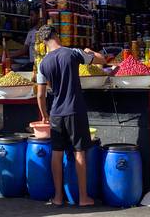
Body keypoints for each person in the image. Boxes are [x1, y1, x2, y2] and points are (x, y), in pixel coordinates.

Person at [35, 25, 106, 207]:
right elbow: (102, 60)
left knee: (57, 154)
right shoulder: (73, 53)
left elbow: (41, 95)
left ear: (44, 42)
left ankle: (58, 197)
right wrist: (90, 51)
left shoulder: (42, 64)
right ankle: (83, 198)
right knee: (79, 152)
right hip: (75, 110)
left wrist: (45, 115)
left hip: (56, 113)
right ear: (57, 35)